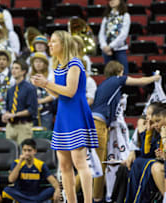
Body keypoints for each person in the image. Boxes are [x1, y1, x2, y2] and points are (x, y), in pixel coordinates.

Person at [32, 30, 97, 203]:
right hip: (63, 116)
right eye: (50, 42)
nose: (49, 45)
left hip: (76, 114)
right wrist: (44, 85)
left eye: (53, 42)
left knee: (80, 163)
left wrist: (46, 83)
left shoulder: (74, 64)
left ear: (64, 44)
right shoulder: (58, 67)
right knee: (64, 166)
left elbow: (70, 91)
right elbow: (56, 94)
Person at [91, 61, 160, 202]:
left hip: (97, 124)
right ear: (119, 71)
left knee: (99, 164)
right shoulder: (117, 80)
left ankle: (96, 198)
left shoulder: (104, 84)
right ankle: (72, 194)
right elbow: (139, 81)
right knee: (95, 165)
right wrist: (155, 78)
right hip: (98, 125)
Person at [2, 59, 38, 144]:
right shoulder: (10, 90)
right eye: (13, 68)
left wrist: (15, 115)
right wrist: (5, 115)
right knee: (11, 151)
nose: (13, 70)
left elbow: (31, 109)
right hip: (10, 126)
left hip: (23, 125)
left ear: (23, 71)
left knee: (23, 151)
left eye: (17, 68)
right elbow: (8, 108)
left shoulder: (30, 88)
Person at [98, 0, 130, 75]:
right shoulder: (107, 16)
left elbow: (123, 34)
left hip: (120, 49)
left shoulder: (125, 15)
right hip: (106, 50)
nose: (111, 1)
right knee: (109, 75)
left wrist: (111, 46)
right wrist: (104, 46)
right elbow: (101, 33)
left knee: (123, 74)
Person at [29, 52, 54, 130]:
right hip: (32, 111)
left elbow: (54, 95)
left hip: (46, 111)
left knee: (45, 133)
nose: (38, 64)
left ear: (45, 64)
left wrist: (40, 101)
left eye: (40, 62)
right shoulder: (29, 77)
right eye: (36, 62)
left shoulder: (51, 76)